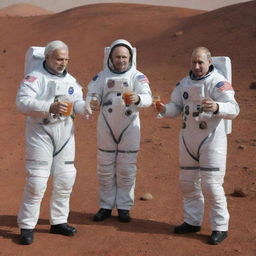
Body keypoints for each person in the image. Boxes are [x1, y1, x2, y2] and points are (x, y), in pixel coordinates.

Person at [155, 47, 239, 245]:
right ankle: (192, 221)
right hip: (188, 139)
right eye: (193, 62)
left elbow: (234, 108)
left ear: (209, 62)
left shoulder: (218, 83)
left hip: (211, 139)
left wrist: (218, 107)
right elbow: (176, 106)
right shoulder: (184, 83)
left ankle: (220, 227)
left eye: (200, 62)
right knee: (188, 183)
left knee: (211, 185)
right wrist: (164, 109)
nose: (197, 66)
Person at [16, 40, 91, 245]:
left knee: (66, 179)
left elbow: (76, 102)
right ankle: (27, 225)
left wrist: (85, 107)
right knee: (37, 181)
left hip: (65, 134)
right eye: (59, 59)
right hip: (41, 132)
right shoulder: (34, 78)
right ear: (47, 57)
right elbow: (22, 103)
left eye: (66, 59)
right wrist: (50, 106)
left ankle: (59, 221)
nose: (63, 63)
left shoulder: (72, 82)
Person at [86, 39, 152, 223]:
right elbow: (92, 92)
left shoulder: (138, 76)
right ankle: (106, 205)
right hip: (106, 125)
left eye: (124, 56)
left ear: (130, 57)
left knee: (126, 168)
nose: (121, 60)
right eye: (117, 57)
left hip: (129, 125)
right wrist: (93, 100)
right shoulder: (101, 76)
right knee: (105, 167)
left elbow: (148, 98)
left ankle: (124, 206)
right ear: (111, 57)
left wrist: (138, 98)